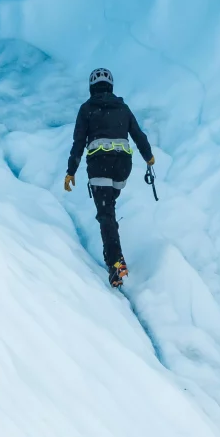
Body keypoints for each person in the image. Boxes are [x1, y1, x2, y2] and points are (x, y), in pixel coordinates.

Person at [63, 68, 155, 288]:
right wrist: (148, 156)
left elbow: (78, 143)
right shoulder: (122, 107)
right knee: (109, 208)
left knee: (106, 213)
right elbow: (138, 134)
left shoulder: (86, 109)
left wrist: (71, 171)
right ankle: (113, 252)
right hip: (123, 165)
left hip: (100, 163)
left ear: (92, 87)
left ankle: (115, 261)